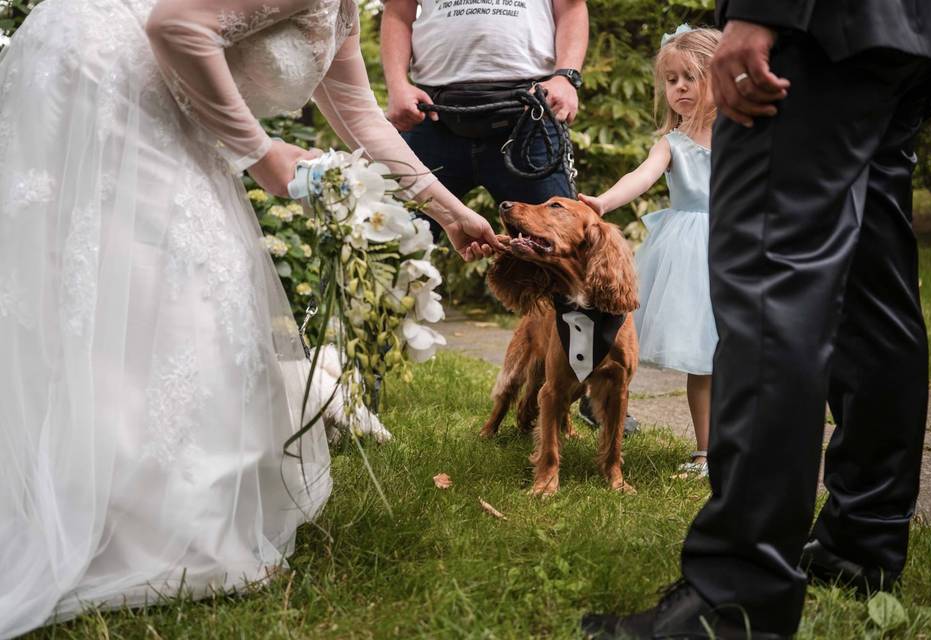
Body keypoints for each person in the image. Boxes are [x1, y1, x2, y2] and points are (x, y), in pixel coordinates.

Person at [0, 0, 501, 636]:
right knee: (174, 272)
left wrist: (450, 212)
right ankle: (139, 523)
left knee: (178, 274)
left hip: (153, 79)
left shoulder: (343, 10)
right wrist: (259, 152)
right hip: (109, 69)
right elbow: (175, 27)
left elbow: (360, 118)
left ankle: (133, 505)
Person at [582, 1, 931, 638]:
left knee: (768, 284)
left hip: (818, 23)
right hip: (922, 33)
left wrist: (762, 11)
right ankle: (859, 549)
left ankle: (739, 592)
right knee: (874, 285)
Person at [381, 0, 639, 433]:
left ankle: (600, 392)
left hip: (528, 112)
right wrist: (396, 83)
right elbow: (397, 13)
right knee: (385, 249)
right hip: (431, 112)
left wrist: (566, 75)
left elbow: (572, 7)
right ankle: (353, 380)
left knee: (578, 259)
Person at [579, 26, 720, 478]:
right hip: (689, 257)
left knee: (749, 356)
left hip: (740, 246)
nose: (679, 87)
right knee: (703, 358)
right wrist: (603, 203)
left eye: (691, 77)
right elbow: (641, 176)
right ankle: (707, 452)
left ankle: (752, 447)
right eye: (671, 79)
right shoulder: (673, 143)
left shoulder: (750, 136)